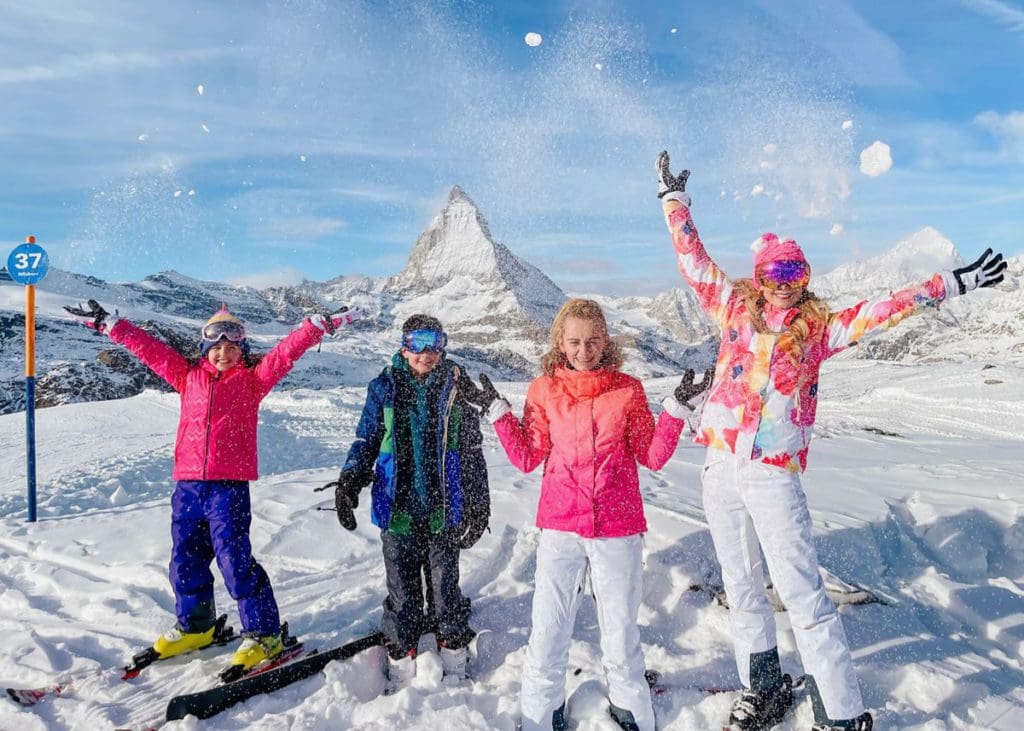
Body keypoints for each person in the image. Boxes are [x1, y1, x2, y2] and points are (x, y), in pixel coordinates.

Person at [655, 151, 1007, 731]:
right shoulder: (732, 309)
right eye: (776, 275)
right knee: (741, 585)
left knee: (802, 594)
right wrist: (674, 202)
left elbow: (885, 310)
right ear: (760, 277)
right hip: (720, 462)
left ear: (805, 278)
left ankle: (840, 714)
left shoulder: (820, 332)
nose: (786, 286)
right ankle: (763, 688)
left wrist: (951, 284)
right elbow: (693, 262)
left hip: (772, 470)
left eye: (796, 275)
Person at [64, 299, 360, 676]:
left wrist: (315, 327)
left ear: (243, 351)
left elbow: (286, 353)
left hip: (228, 487)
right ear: (205, 349)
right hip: (187, 485)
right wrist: (111, 325)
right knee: (184, 559)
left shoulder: (253, 381)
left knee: (234, 560)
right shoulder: (187, 376)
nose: (224, 352)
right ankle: (196, 624)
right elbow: (150, 351)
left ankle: (265, 632)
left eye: (233, 347)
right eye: (217, 347)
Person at [458, 298, 712, 731]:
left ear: (605, 340)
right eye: (574, 341)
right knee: (549, 629)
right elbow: (526, 457)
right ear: (560, 341)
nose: (583, 349)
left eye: (592, 340)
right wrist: (498, 414)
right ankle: (541, 715)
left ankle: (631, 711)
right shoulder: (543, 389)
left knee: (620, 632)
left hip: (617, 529)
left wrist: (674, 411)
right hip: (560, 527)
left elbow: (650, 455)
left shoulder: (627, 389)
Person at [327, 314, 490, 688]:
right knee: (402, 592)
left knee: (445, 589)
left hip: (443, 511)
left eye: (435, 343)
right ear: (404, 346)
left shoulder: (456, 388)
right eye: (418, 343)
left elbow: (471, 452)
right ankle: (402, 656)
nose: (427, 353)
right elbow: (365, 439)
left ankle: (454, 656)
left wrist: (479, 503)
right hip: (397, 508)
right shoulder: (384, 387)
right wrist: (350, 479)